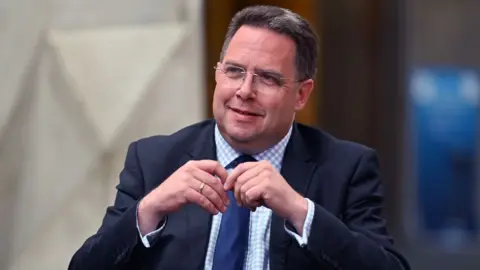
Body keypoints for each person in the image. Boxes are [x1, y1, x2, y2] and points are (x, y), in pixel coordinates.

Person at [69, 5, 410, 270]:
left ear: (302, 95)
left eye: (267, 78)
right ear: (217, 75)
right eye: (234, 72)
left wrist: (298, 210)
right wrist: (149, 210)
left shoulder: (345, 168)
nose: (245, 91)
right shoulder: (155, 159)